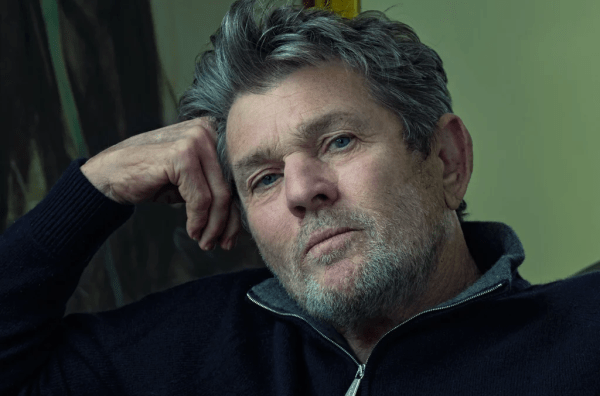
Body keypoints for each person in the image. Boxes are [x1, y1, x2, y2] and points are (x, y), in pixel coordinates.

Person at [1, 0, 598, 394]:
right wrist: (92, 190)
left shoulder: (582, 332)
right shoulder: (192, 343)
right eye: (262, 177)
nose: (301, 190)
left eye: (339, 141)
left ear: (446, 160)